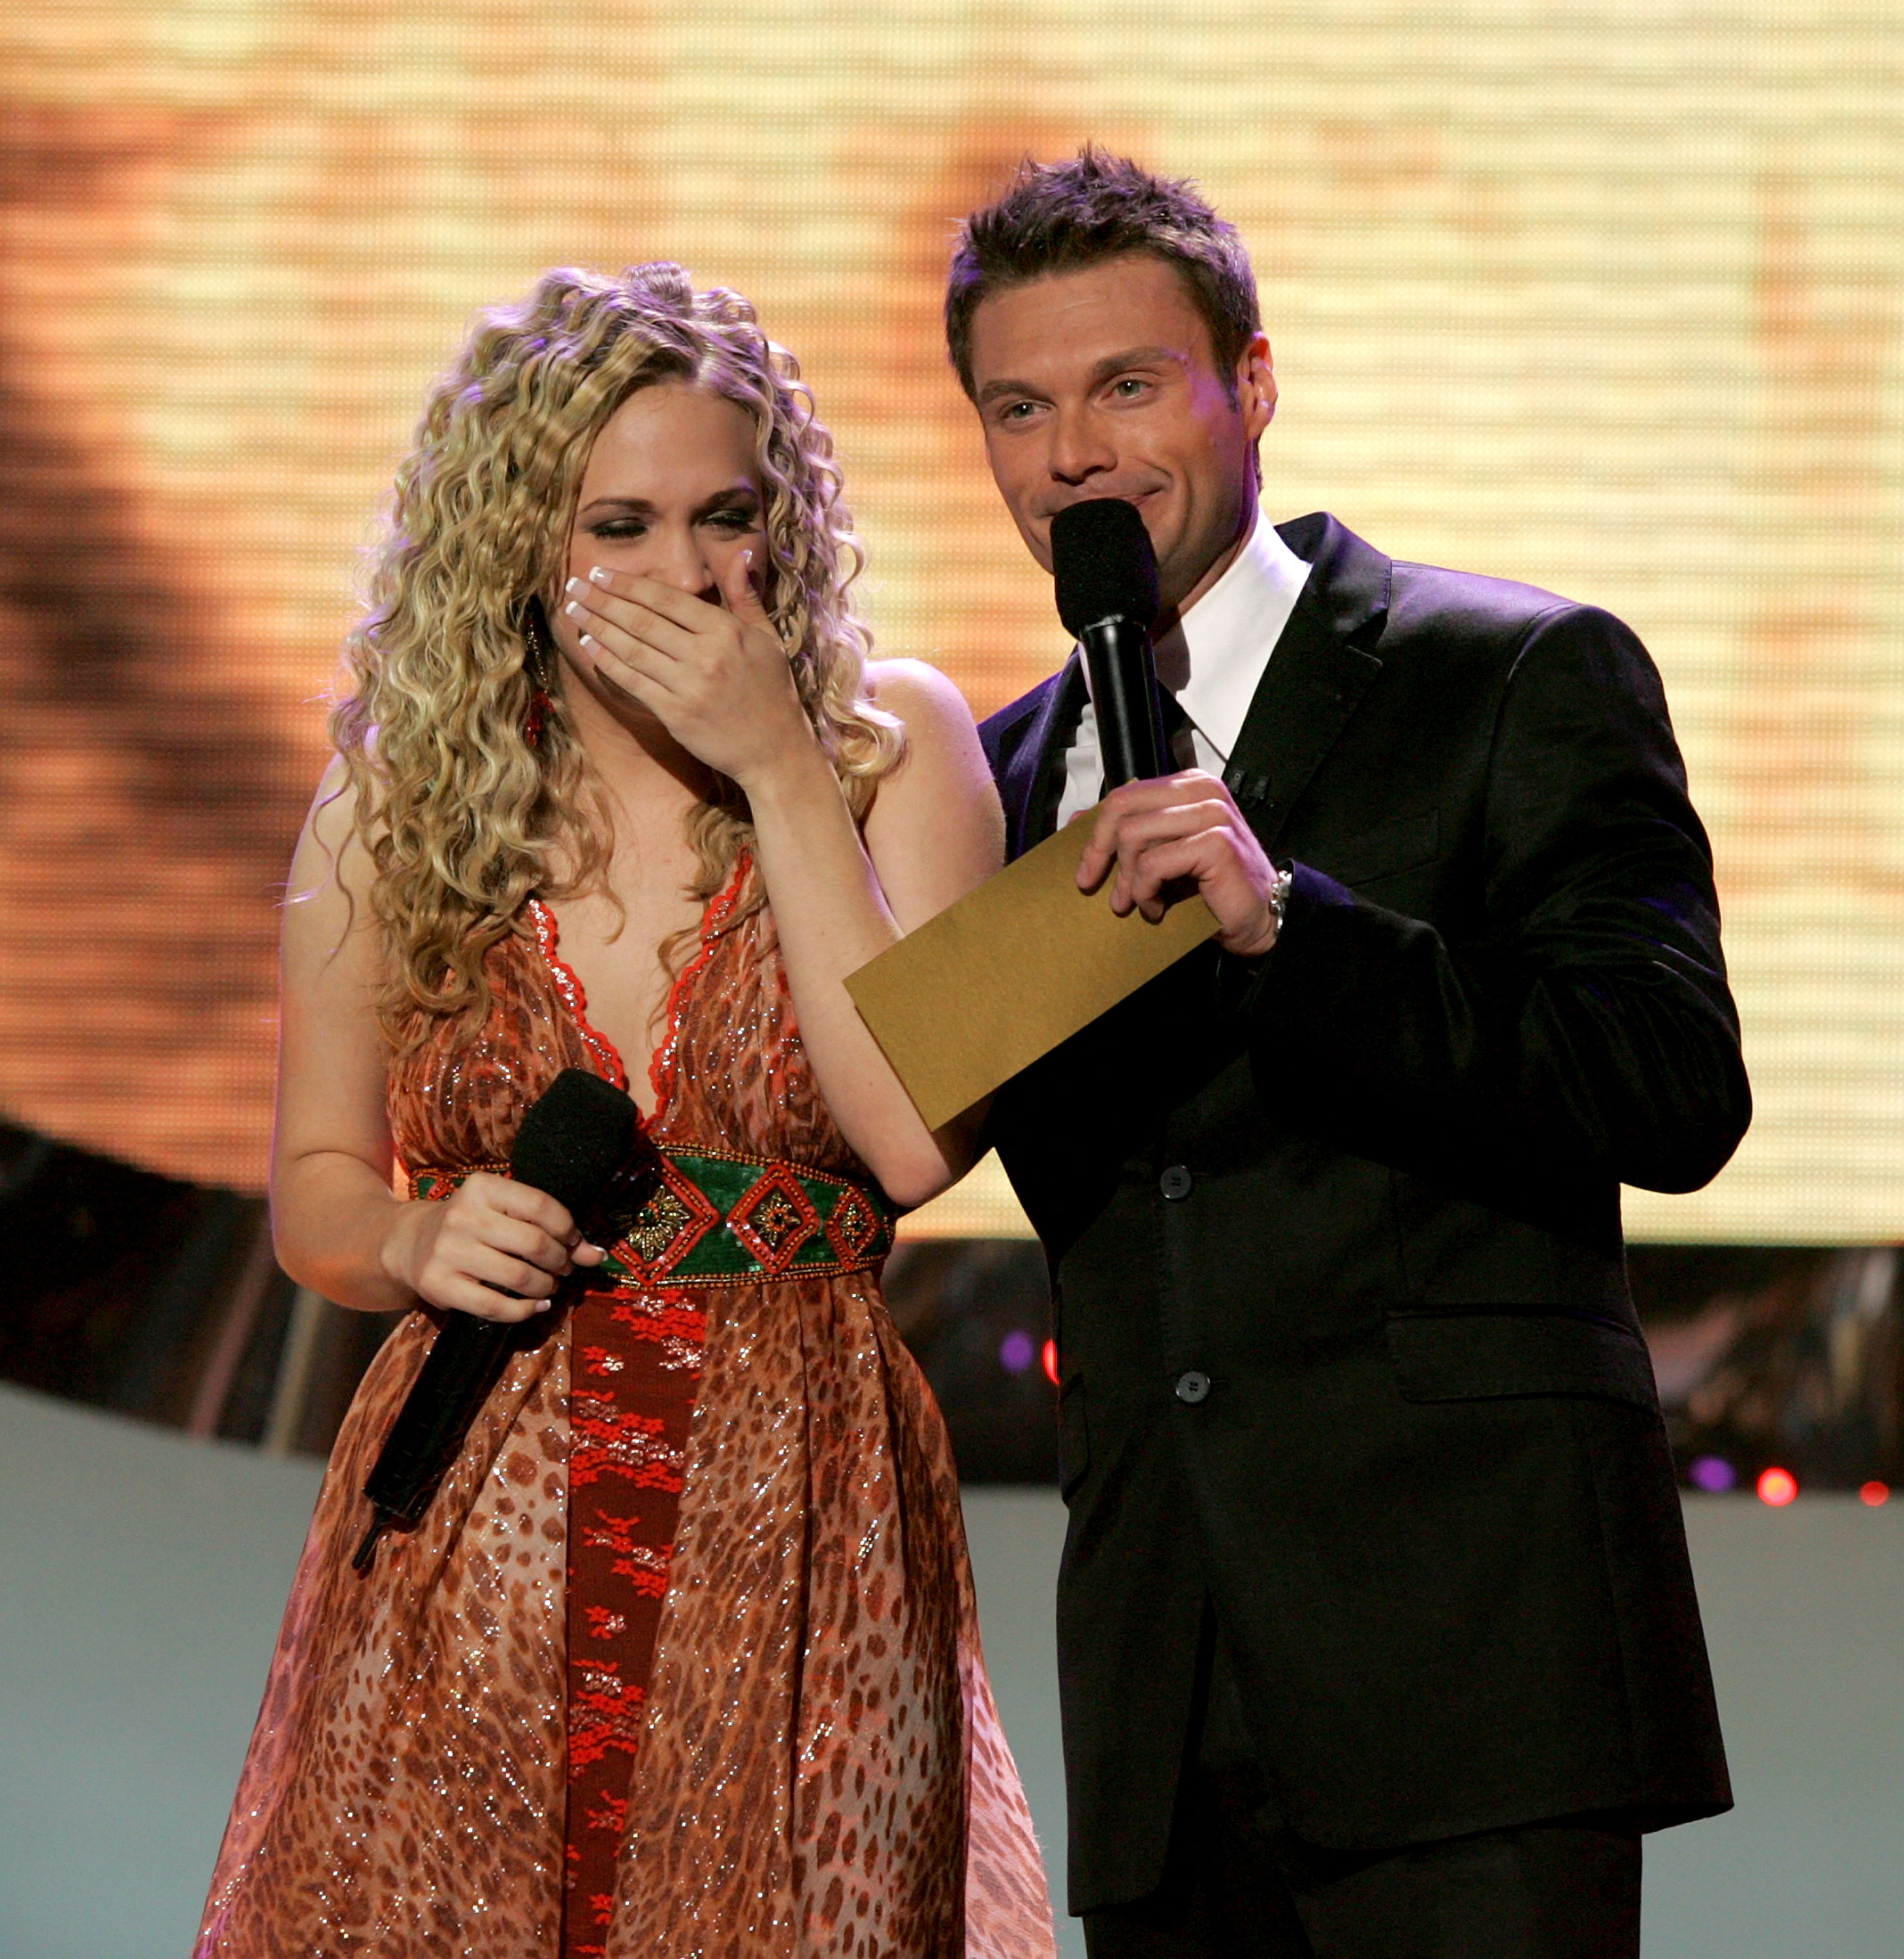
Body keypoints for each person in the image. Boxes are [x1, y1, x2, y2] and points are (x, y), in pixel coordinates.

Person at [194, 264, 1055, 1959]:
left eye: (726, 517)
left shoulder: (903, 748)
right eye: (620, 527)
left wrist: (782, 773)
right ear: (524, 548)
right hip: (481, 1520)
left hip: (800, 1515)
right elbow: (316, 1191)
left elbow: (912, 1142)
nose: (687, 574)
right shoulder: (405, 798)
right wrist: (412, 1233)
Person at [949, 150, 1751, 1958]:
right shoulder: (993, 786)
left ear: (1250, 382)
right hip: (1164, 1702)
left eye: (1125, 386)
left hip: (1472, 1671)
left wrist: (1292, 931)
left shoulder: (1510, 673)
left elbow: (1671, 1087)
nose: (1071, 453)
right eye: (1019, 407)